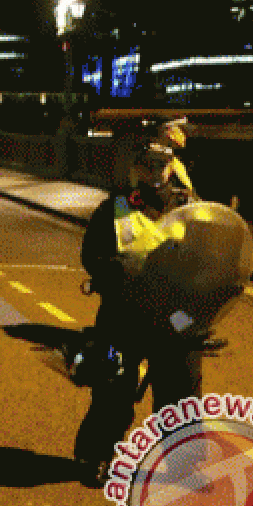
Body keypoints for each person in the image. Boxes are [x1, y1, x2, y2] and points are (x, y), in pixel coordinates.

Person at [72, 159, 204, 487]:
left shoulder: (191, 207)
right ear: (136, 170)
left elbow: (210, 256)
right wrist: (118, 271)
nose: (154, 172)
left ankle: (184, 467)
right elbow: (92, 255)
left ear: (172, 168)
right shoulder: (115, 207)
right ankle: (97, 456)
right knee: (113, 389)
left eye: (162, 165)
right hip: (125, 309)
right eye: (147, 165)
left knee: (181, 393)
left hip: (175, 314)